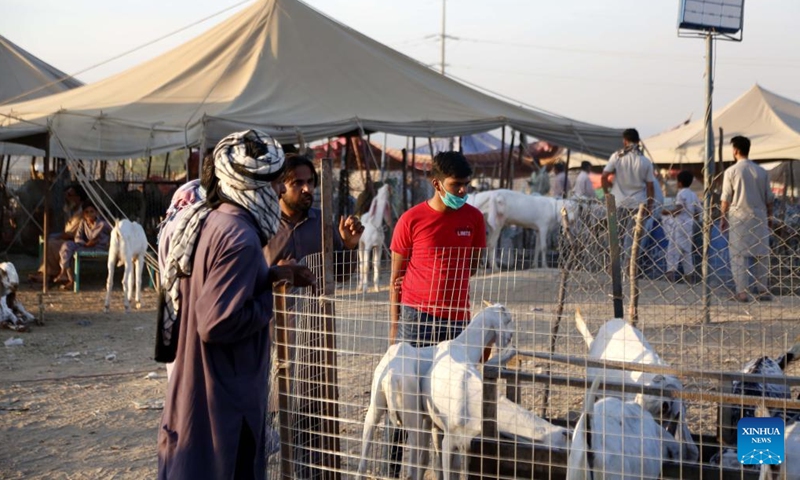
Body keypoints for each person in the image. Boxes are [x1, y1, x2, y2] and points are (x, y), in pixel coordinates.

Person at [157, 130, 315, 480]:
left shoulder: (210, 219)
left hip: (200, 381)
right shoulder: (240, 237)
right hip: (225, 393)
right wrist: (269, 300)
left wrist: (272, 274)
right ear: (251, 186)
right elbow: (216, 323)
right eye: (274, 185)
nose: (278, 193)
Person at [262, 153, 363, 477]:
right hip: (272, 338)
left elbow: (342, 274)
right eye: (297, 183)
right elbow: (249, 275)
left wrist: (348, 246)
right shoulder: (262, 225)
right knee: (274, 421)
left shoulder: (322, 223)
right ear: (280, 187)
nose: (307, 189)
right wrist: (275, 273)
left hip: (316, 340)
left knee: (313, 421)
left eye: (310, 182)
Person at [385, 151, 486, 476]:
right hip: (417, 319)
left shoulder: (473, 219)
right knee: (403, 401)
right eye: (456, 185)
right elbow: (395, 279)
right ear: (437, 184)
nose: (462, 192)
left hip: (456, 320)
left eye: (466, 186)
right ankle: (391, 469)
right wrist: (394, 330)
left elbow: (472, 265)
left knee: (449, 397)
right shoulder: (411, 220)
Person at [720, 135, 774, 303]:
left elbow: (726, 198)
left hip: (739, 216)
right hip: (759, 215)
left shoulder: (731, 171)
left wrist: (723, 217)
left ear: (735, 150)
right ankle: (762, 289)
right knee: (761, 253)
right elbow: (769, 198)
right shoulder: (762, 172)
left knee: (738, 255)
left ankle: (741, 292)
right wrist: (770, 217)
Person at [602, 128, 656, 269]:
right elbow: (650, 186)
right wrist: (650, 206)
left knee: (616, 235)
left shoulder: (617, 156)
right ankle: (630, 266)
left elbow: (604, 176)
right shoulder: (645, 161)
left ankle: (612, 266)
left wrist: (606, 192)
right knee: (634, 237)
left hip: (618, 202)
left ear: (625, 141)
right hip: (638, 204)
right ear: (638, 142)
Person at [29, 185, 87, 283]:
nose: (67, 198)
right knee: (49, 241)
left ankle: (49, 274)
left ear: (78, 197)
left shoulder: (81, 213)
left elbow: (69, 234)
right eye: (66, 195)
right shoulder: (72, 211)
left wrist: (53, 237)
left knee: (51, 244)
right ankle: (45, 272)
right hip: (69, 239)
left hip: (77, 242)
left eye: (70, 195)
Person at [52, 200, 112, 290]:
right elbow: (77, 237)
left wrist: (108, 243)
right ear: (84, 214)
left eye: (92, 212)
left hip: (99, 248)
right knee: (67, 246)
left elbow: (115, 233)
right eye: (87, 212)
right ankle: (64, 271)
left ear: (96, 213)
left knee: (72, 253)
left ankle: (70, 279)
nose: (89, 214)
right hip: (86, 246)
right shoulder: (83, 223)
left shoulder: (103, 224)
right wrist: (86, 244)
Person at [661, 171, 701, 283]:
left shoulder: (681, 193)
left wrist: (668, 212)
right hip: (689, 225)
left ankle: (670, 275)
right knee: (686, 251)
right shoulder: (693, 195)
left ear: (680, 182)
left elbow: (679, 208)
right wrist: (693, 219)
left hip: (679, 225)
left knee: (673, 250)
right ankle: (689, 277)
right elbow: (698, 211)